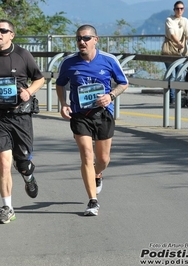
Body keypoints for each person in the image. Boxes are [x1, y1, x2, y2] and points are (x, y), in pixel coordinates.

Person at [0, 19, 44, 224]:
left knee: (22, 161)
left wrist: (29, 91)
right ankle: (7, 207)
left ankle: (28, 175)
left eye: (3, 31)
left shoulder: (22, 55)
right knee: (3, 164)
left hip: (21, 115)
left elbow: (39, 78)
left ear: (12, 34)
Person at [55, 24, 128, 216]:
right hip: (80, 115)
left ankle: (98, 173)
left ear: (96, 40)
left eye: (86, 38)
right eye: (79, 38)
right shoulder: (68, 63)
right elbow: (60, 84)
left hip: (103, 113)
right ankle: (93, 201)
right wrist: (63, 104)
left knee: (103, 159)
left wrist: (110, 96)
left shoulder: (109, 60)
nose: (82, 42)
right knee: (87, 156)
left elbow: (124, 83)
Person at [161, 1, 188, 104]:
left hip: (181, 52)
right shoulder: (169, 20)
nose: (179, 10)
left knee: (179, 75)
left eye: (181, 8)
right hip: (169, 51)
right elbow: (171, 34)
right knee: (172, 75)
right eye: (177, 8)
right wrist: (178, 43)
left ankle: (176, 97)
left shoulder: (185, 21)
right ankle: (172, 98)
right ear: (174, 9)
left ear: (184, 9)